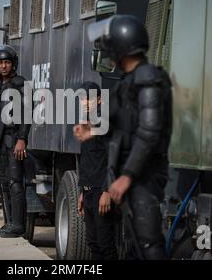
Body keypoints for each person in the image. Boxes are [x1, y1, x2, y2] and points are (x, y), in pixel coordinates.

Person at [87, 15, 173, 260]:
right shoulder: (128, 82)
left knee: (148, 245)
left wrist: (127, 177)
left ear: (122, 47)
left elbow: (149, 133)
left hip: (144, 176)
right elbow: (116, 125)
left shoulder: (147, 79)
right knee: (134, 245)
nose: (108, 53)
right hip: (130, 174)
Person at [0, 45, 31, 238]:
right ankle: (9, 222)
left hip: (13, 139)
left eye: (7, 62)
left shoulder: (21, 84)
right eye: (1, 63)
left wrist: (22, 139)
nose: (4, 66)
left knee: (15, 183)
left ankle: (18, 226)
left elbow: (27, 114)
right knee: (3, 183)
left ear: (13, 64)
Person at [74, 81, 118, 260]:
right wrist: (82, 191)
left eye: (89, 99)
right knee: (93, 243)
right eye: (82, 99)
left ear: (99, 100)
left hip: (102, 192)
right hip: (89, 191)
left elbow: (113, 160)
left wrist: (107, 191)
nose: (85, 102)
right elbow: (87, 161)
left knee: (105, 243)